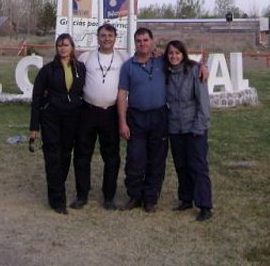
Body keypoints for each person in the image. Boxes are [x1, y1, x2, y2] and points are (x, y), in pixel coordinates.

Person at [70, 23, 128, 211]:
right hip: (88, 111)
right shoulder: (86, 57)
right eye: (103, 35)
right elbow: (69, 75)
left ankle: (109, 197)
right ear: (97, 37)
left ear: (115, 38)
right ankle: (82, 194)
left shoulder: (123, 58)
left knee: (112, 157)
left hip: (111, 113)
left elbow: (148, 58)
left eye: (110, 35)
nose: (106, 38)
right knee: (82, 154)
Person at [29, 33, 86, 214]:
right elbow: (37, 98)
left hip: (72, 118)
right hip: (51, 119)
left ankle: (57, 188)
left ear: (72, 47)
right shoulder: (47, 70)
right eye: (60, 45)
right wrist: (34, 127)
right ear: (56, 48)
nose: (63, 48)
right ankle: (57, 200)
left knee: (65, 154)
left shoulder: (80, 67)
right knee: (52, 156)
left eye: (66, 45)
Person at [117, 27, 168, 213]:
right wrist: (122, 122)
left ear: (152, 41)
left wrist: (203, 67)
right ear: (135, 43)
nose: (142, 44)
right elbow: (122, 94)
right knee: (135, 159)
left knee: (156, 160)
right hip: (136, 117)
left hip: (159, 116)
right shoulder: (128, 66)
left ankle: (150, 199)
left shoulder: (162, 62)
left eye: (146, 40)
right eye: (139, 41)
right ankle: (135, 196)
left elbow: (184, 63)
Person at [164, 39, 213, 222]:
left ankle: (205, 205)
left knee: (198, 167)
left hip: (194, 128)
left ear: (183, 55)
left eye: (177, 53)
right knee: (181, 166)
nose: (174, 56)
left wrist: (199, 126)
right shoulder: (166, 73)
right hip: (175, 128)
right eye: (170, 53)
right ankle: (186, 199)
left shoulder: (194, 72)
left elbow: (203, 103)